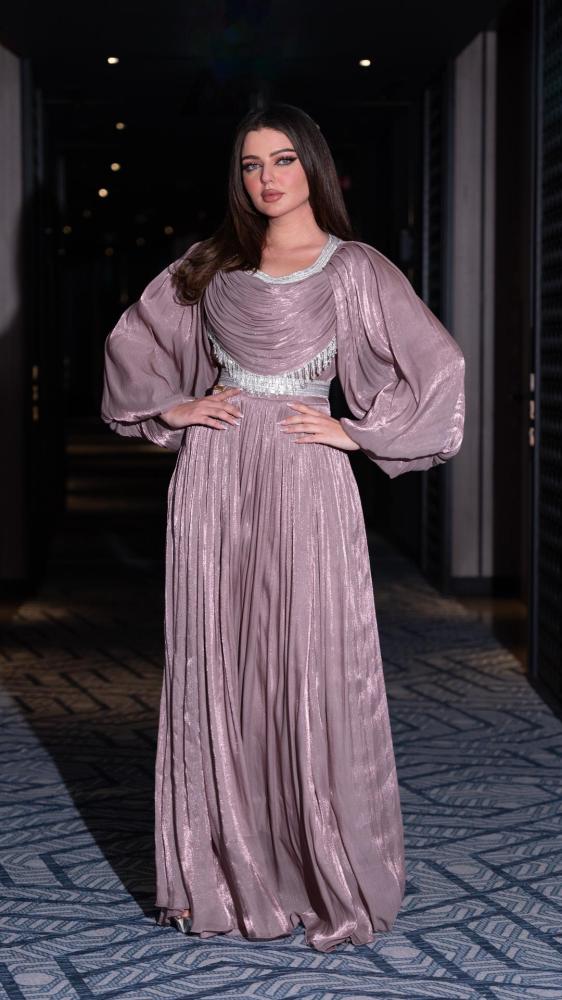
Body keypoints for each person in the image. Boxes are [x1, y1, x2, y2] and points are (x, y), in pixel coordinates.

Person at [101, 103, 465, 953]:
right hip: (215, 477)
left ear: (316, 168)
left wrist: (358, 431)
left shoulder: (354, 269)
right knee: (220, 660)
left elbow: (439, 365)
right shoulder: (209, 266)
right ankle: (226, 871)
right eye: (251, 165)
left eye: (283, 161)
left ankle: (315, 867)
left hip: (306, 475)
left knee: (306, 659)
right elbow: (131, 346)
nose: (266, 178)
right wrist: (175, 408)